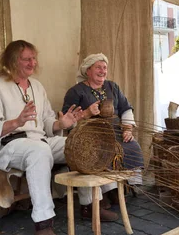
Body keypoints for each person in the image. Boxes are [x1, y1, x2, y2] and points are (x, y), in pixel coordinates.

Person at [0, 40, 118, 235]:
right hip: (8, 146)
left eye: (34, 58)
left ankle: (89, 205)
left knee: (76, 145)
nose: (33, 63)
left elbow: (48, 122)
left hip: (39, 141)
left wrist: (63, 123)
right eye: (27, 59)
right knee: (39, 151)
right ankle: (43, 223)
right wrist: (16, 122)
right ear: (13, 60)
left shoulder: (37, 87)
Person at [62, 53, 144, 206]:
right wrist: (86, 113)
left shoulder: (112, 86)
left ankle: (128, 184)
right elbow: (67, 121)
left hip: (116, 133)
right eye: (98, 67)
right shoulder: (76, 92)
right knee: (102, 152)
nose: (102, 71)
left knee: (131, 145)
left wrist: (127, 129)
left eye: (104, 68)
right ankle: (108, 191)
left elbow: (126, 109)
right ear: (88, 71)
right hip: (90, 137)